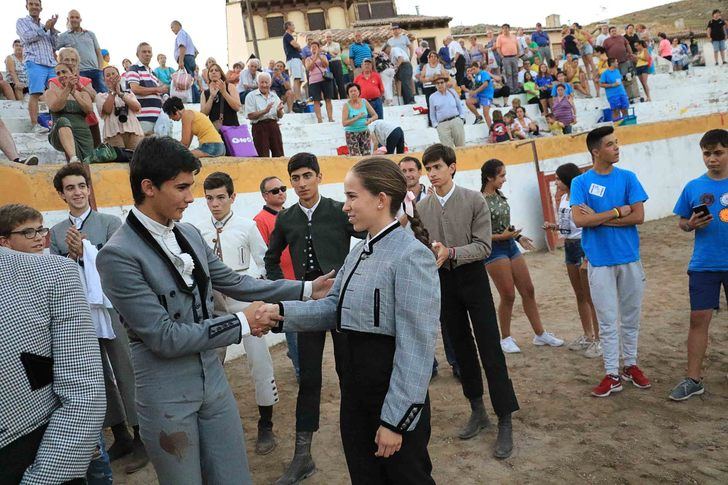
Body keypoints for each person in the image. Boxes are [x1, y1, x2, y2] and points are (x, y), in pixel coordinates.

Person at [96, 136, 333, 485]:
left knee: (233, 476)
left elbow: (239, 283)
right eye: (181, 188)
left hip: (212, 379)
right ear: (148, 187)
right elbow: (164, 337)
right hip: (166, 391)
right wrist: (241, 323)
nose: (191, 198)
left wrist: (308, 288)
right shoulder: (117, 254)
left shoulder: (187, 233)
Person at [257, 157, 439, 484]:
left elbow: (417, 348)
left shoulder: (412, 256)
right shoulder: (357, 252)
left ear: (381, 199)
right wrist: (281, 314)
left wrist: (396, 420)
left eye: (352, 196)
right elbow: (332, 309)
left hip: (390, 391)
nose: (345, 206)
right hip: (355, 392)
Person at [416, 143, 518, 458]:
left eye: (437, 167)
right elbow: (422, 245)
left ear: (452, 167)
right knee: (461, 348)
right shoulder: (422, 208)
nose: (432, 174)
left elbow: (484, 246)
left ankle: (504, 418)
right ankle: (478, 409)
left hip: (472, 278)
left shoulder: (474, 200)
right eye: (428, 168)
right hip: (443, 281)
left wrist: (452, 252)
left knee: (489, 346)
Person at [264, 152, 360, 484]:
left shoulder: (338, 210)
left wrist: (352, 278)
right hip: (307, 305)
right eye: (295, 178)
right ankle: (302, 456)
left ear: (318, 176)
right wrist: (291, 291)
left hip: (341, 301)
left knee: (349, 370)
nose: (302, 183)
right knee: (309, 379)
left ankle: (360, 439)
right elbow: (271, 258)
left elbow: (368, 240)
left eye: (307, 176)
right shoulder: (286, 218)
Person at [47, 163, 148, 473]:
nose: (77, 192)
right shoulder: (56, 232)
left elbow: (120, 259)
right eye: (70, 188)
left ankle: (141, 436)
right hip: (79, 310)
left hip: (111, 306)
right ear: (61, 195)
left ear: (89, 189)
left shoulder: (108, 222)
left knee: (125, 368)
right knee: (96, 374)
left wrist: (89, 249)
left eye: (81, 186)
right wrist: (71, 256)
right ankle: (119, 433)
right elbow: (56, 271)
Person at [0, 204, 105, 484]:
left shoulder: (55, 271)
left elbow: (85, 394)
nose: (38, 237)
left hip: (37, 443)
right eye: (28, 232)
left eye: (40, 230)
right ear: (5, 240)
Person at [196, 172, 279, 455]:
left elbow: (264, 261)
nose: (215, 204)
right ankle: (215, 422)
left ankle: (266, 424)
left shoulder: (246, 226)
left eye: (221, 197)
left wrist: (262, 298)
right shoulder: (198, 230)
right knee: (212, 364)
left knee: (259, 362)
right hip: (217, 307)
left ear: (232, 197)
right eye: (209, 198)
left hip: (246, 303)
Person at [570, 126, 650, 398]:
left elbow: (638, 216)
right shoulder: (580, 182)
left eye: (616, 143)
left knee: (630, 316)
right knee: (606, 318)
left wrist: (601, 218)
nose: (616, 148)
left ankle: (630, 365)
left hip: (629, 257)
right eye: (610, 144)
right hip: (600, 260)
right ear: (595, 151)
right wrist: (616, 212)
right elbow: (580, 220)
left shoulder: (628, 178)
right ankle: (612, 373)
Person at [480, 159, 564, 353]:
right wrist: (504, 236)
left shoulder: (499, 196)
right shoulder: (479, 200)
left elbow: (505, 225)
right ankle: (505, 338)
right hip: (494, 249)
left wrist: (517, 236)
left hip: (509, 245)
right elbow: (478, 234)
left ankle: (540, 333)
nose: (504, 179)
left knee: (528, 290)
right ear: (489, 177)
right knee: (508, 294)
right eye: (501, 176)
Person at [668, 129, 728, 401]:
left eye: (718, 153)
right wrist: (690, 224)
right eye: (707, 153)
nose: (712, 159)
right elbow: (681, 221)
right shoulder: (693, 187)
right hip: (704, 264)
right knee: (698, 320)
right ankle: (693, 378)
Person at [542, 163, 601, 358]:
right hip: (570, 246)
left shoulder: (579, 197)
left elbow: (587, 222)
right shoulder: (565, 198)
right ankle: (588, 334)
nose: (556, 182)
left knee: (590, 296)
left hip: (583, 245)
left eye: (559, 178)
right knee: (580, 294)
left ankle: (599, 340)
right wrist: (555, 227)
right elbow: (569, 225)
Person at [254, 177, 299, 378]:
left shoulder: (292, 215)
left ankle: (297, 357)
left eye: (282, 188)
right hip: (282, 283)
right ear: (265, 196)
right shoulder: (260, 220)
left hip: (301, 280)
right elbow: (264, 257)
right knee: (294, 330)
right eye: (274, 191)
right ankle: (300, 370)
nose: (281, 192)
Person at [16, 0, 59, 133]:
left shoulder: (44, 25)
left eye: (36, 4)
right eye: (31, 4)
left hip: (51, 63)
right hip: (34, 62)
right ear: (27, 6)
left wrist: (52, 30)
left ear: (41, 7)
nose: (34, 6)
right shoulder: (22, 22)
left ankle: (58, 123)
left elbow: (55, 44)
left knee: (57, 94)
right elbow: (27, 37)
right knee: (35, 93)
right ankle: (35, 125)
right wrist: (45, 28)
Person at [44, 62, 94, 163]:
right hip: (60, 131)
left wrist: (74, 92)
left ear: (73, 73)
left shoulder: (83, 94)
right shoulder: (51, 92)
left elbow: (88, 110)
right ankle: (73, 158)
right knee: (63, 121)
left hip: (83, 133)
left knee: (88, 165)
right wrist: (67, 89)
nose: (61, 75)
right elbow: (55, 107)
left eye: (64, 72)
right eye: (58, 73)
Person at [57, 10, 106, 93]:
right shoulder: (63, 36)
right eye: (72, 17)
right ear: (68, 19)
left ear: (80, 19)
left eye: (77, 17)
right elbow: (52, 49)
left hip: (96, 71)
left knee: (103, 95)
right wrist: (59, 66)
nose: (74, 19)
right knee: (85, 96)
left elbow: (98, 52)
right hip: (79, 72)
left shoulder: (90, 34)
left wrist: (100, 69)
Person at [96, 66, 144, 149]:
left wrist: (121, 94)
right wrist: (113, 92)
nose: (111, 77)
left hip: (134, 131)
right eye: (108, 75)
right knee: (118, 160)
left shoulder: (129, 94)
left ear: (119, 77)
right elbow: (107, 110)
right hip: (113, 133)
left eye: (113, 74)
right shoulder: (100, 96)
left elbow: (137, 108)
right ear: (104, 80)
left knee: (137, 158)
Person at [127, 42, 166, 135]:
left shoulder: (153, 73)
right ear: (138, 54)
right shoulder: (134, 68)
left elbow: (158, 93)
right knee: (144, 147)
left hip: (157, 118)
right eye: (144, 52)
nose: (147, 54)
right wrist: (157, 89)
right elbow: (135, 89)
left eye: (149, 52)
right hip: (143, 118)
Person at [245, 72, 285, 158]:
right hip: (259, 127)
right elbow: (250, 115)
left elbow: (280, 115)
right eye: (262, 82)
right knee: (262, 155)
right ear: (257, 83)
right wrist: (265, 111)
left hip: (273, 125)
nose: (264, 85)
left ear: (270, 84)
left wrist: (279, 111)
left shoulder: (274, 96)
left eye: (266, 82)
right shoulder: (251, 96)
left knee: (279, 154)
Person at [201, 62, 241, 132]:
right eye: (211, 71)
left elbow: (237, 107)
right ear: (209, 75)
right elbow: (203, 114)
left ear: (221, 74)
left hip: (232, 129)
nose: (213, 72)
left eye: (216, 70)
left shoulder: (230, 86)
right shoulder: (205, 93)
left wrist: (224, 92)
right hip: (215, 131)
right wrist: (212, 96)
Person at [429, 76, 465, 148]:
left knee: (461, 146)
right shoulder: (432, 97)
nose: (439, 85)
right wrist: (436, 125)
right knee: (448, 150)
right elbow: (432, 114)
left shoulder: (452, 92)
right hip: (442, 124)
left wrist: (462, 118)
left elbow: (459, 106)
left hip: (456, 120)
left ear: (445, 83)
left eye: (441, 82)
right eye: (437, 83)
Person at [342, 82, 377, 156]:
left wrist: (370, 120)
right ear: (348, 94)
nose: (353, 93)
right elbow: (344, 123)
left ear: (359, 92)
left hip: (365, 132)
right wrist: (356, 118)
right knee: (356, 156)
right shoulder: (346, 106)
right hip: (351, 134)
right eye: (351, 91)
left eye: (355, 91)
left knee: (366, 155)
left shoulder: (364, 102)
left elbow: (375, 115)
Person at [305, 40, 335, 123]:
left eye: (316, 47)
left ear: (319, 48)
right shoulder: (308, 59)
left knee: (328, 99)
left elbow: (326, 65)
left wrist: (320, 57)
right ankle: (319, 119)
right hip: (314, 81)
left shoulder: (323, 56)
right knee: (316, 100)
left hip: (325, 79)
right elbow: (309, 68)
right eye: (312, 47)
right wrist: (314, 58)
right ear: (310, 49)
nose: (314, 48)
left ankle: (330, 118)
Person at [170, 20, 199, 102]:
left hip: (185, 58)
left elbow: (182, 46)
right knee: (190, 80)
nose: (172, 29)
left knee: (187, 81)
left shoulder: (181, 33)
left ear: (177, 25)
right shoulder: (186, 35)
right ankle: (195, 98)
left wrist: (181, 60)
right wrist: (191, 58)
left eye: (172, 27)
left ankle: (194, 100)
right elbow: (196, 52)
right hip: (190, 58)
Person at [388, 24, 415, 104]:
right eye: (393, 29)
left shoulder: (404, 38)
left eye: (397, 29)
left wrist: (410, 57)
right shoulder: (390, 41)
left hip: (404, 61)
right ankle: (399, 97)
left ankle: (413, 95)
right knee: (397, 79)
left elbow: (411, 47)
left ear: (400, 30)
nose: (395, 30)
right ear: (392, 31)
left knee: (409, 79)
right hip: (395, 63)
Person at [420, 51, 448, 126]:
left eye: (435, 56)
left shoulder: (440, 66)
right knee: (430, 104)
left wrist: (438, 77)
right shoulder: (425, 66)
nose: (433, 58)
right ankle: (432, 121)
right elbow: (421, 78)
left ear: (437, 58)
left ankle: (442, 119)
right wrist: (430, 79)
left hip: (438, 87)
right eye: (431, 56)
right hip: (428, 87)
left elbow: (445, 76)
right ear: (429, 58)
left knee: (440, 103)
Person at [283, 21, 304, 102]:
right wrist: (298, 47)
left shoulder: (290, 36)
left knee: (300, 80)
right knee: (296, 79)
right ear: (288, 26)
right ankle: (297, 99)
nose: (294, 27)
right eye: (293, 25)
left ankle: (298, 97)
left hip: (297, 59)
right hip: (293, 59)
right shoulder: (287, 35)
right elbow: (296, 45)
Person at [495, 24, 520, 92]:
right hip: (506, 58)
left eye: (506, 28)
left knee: (515, 73)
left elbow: (517, 46)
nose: (505, 29)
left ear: (509, 29)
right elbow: (498, 48)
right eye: (503, 28)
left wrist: (518, 55)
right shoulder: (500, 37)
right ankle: (511, 89)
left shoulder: (514, 36)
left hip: (514, 57)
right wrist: (502, 56)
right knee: (508, 74)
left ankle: (516, 88)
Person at [322, 33, 345, 99]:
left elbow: (335, 54)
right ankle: (335, 99)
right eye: (327, 37)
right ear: (325, 38)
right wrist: (330, 53)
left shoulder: (336, 44)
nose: (329, 38)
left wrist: (326, 51)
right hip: (328, 64)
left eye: (330, 37)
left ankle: (343, 98)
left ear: (332, 37)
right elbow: (329, 55)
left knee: (340, 82)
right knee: (331, 82)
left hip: (336, 63)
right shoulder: (323, 47)